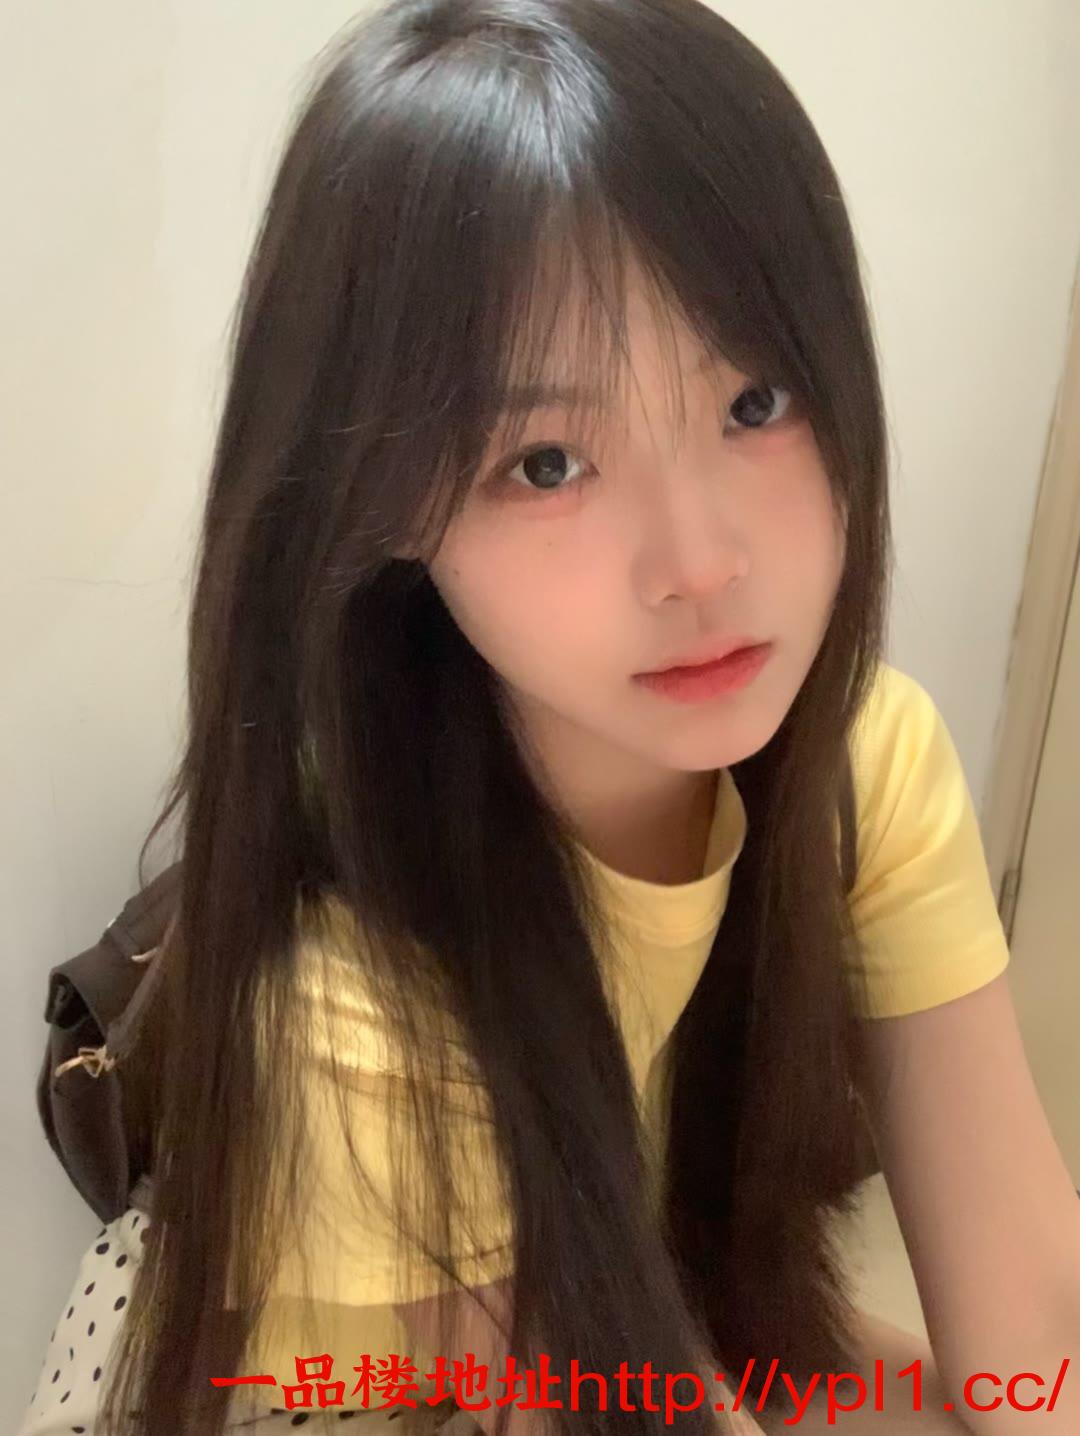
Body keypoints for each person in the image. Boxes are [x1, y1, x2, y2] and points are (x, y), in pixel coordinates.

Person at [19, 0, 1080, 1431]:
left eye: (754, 400)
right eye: (547, 461)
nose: (698, 562)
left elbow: (1030, 1328)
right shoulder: (352, 989)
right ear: (389, 501)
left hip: (629, 1310)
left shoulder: (861, 765)